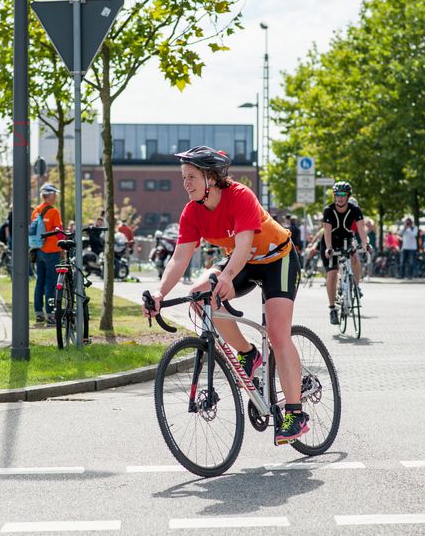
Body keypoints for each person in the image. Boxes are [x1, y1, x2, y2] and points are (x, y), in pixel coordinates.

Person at [142, 146, 308, 445]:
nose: (186, 184)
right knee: (198, 296)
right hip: (240, 262)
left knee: (278, 333)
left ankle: (295, 413)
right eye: (183, 178)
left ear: (211, 178)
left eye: (191, 177)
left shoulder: (240, 195)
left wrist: (228, 276)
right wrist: (159, 292)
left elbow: (244, 247)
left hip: (277, 259)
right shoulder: (192, 212)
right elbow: (179, 259)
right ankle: (248, 354)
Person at [320, 181, 372, 324]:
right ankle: (332, 308)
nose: (340, 198)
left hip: (346, 239)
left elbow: (361, 229)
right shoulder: (328, 210)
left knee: (355, 257)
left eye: (343, 195)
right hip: (330, 242)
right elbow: (327, 230)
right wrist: (329, 247)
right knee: (332, 274)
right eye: (337, 195)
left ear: (348, 196)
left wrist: (366, 244)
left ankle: (355, 285)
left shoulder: (355, 209)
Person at [31, 183, 63, 325]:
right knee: (51, 283)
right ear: (49, 195)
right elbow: (59, 231)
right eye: (54, 194)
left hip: (39, 250)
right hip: (52, 251)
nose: (56, 196)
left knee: (40, 282)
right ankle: (51, 315)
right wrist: (64, 247)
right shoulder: (54, 212)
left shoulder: (36, 211)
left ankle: (39, 313)